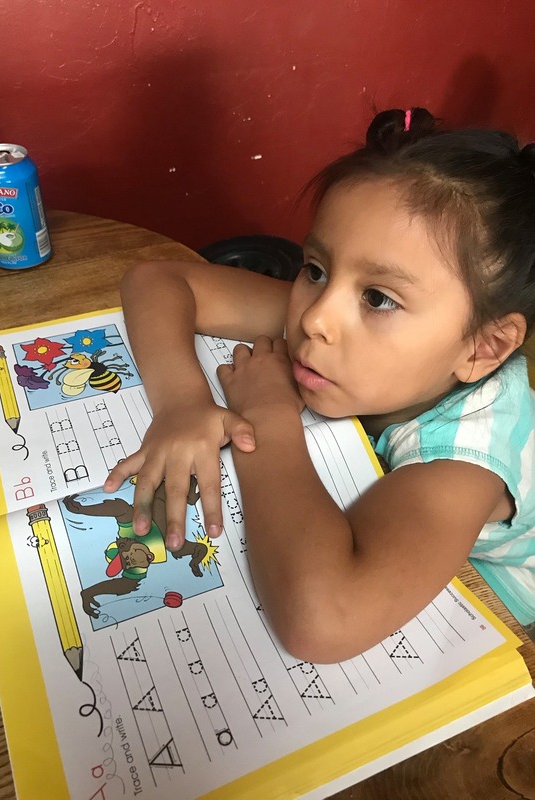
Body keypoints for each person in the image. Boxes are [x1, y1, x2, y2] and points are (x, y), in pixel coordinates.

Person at [105, 107, 535, 662]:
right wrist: (182, 401)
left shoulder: (468, 460)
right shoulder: (336, 326)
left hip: (502, 619)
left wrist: (268, 419)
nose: (314, 319)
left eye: (378, 298)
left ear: (483, 347)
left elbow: (323, 622)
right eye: (315, 268)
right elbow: (157, 279)